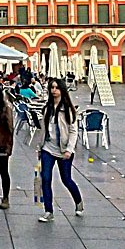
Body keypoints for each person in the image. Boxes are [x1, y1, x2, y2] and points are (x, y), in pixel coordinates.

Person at [37, 79, 84, 222]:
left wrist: (69, 149)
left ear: (62, 90)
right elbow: (43, 129)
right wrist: (40, 147)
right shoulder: (47, 108)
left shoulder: (68, 109)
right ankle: (48, 211)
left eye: (57, 88)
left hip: (64, 150)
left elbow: (73, 131)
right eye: (52, 87)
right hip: (48, 148)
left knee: (66, 179)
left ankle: (78, 202)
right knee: (45, 178)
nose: (54, 90)